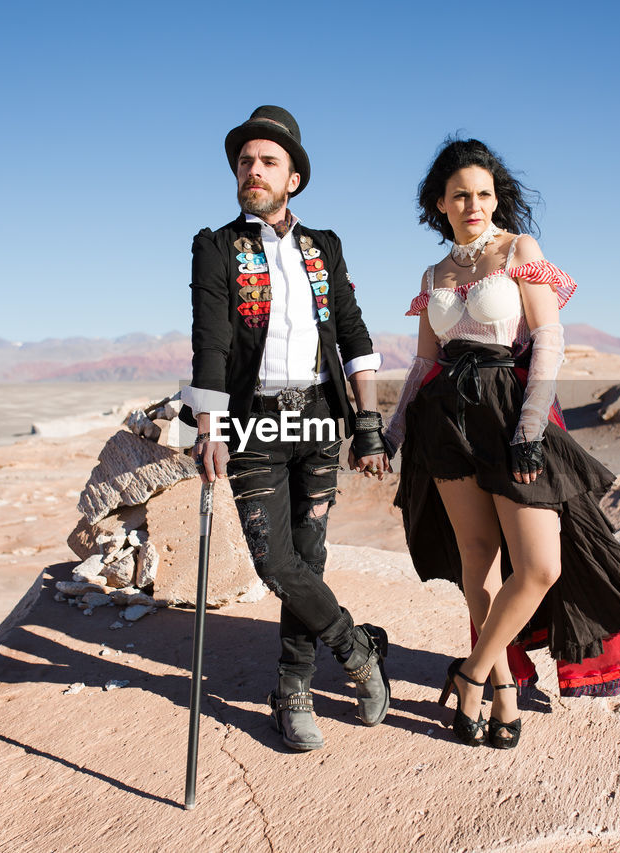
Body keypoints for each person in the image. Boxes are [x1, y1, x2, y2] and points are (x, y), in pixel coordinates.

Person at [384, 138, 620, 749]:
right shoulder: (433, 275)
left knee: (539, 565)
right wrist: (393, 431)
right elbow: (421, 364)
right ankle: (504, 690)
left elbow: (549, 337)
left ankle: (472, 673)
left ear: (496, 197)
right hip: (445, 422)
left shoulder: (518, 250)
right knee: (476, 564)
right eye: (460, 195)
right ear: (440, 204)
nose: (473, 203)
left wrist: (532, 427)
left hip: (508, 413)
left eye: (483, 193)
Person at [184, 106, 393, 752]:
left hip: (320, 422)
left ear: (293, 178)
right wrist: (210, 426)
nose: (253, 170)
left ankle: (293, 686)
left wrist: (368, 426)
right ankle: (355, 648)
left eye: (267, 161)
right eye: (245, 161)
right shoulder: (217, 247)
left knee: (311, 555)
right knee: (276, 562)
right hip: (251, 425)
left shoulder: (322, 247)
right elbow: (210, 346)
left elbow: (354, 338)